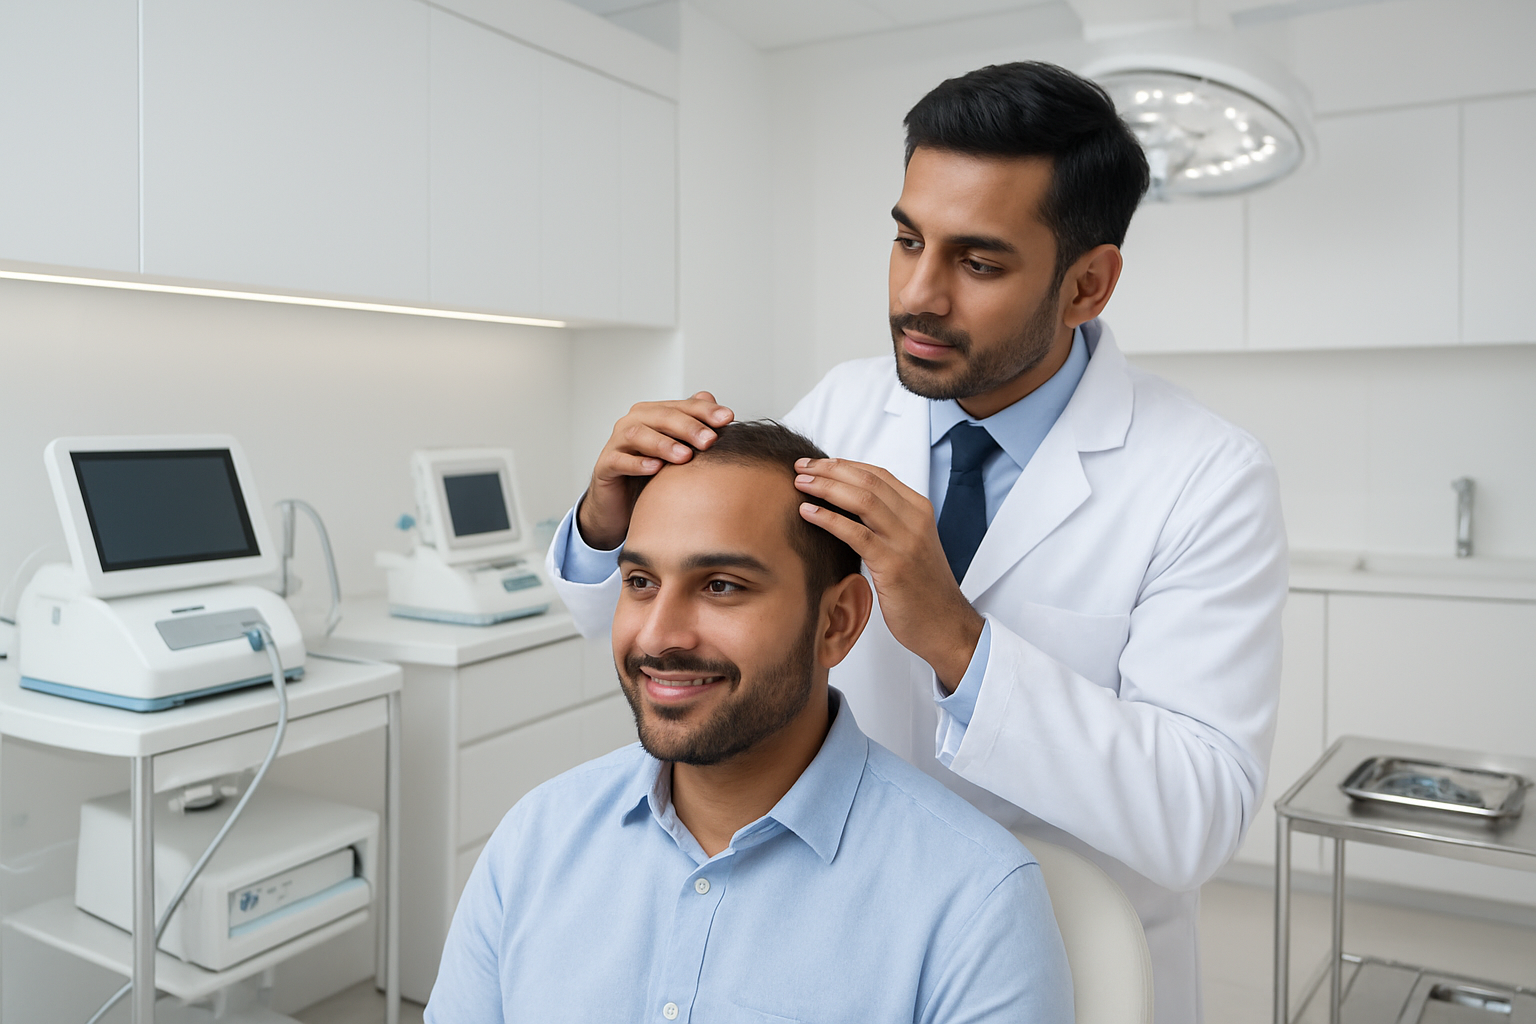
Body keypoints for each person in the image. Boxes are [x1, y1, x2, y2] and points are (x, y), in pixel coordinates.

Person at [548, 63, 1288, 1023]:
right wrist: (610, 527)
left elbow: (1197, 816)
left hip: (1075, 960)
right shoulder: (846, 407)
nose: (918, 295)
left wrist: (957, 639)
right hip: (838, 937)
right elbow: (685, 651)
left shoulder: (1206, 476)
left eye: (978, 263)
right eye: (907, 241)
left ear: (1088, 284)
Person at [431, 421, 1074, 1024]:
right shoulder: (534, 842)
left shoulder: (975, 899)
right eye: (640, 580)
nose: (659, 636)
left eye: (722, 586)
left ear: (837, 623)